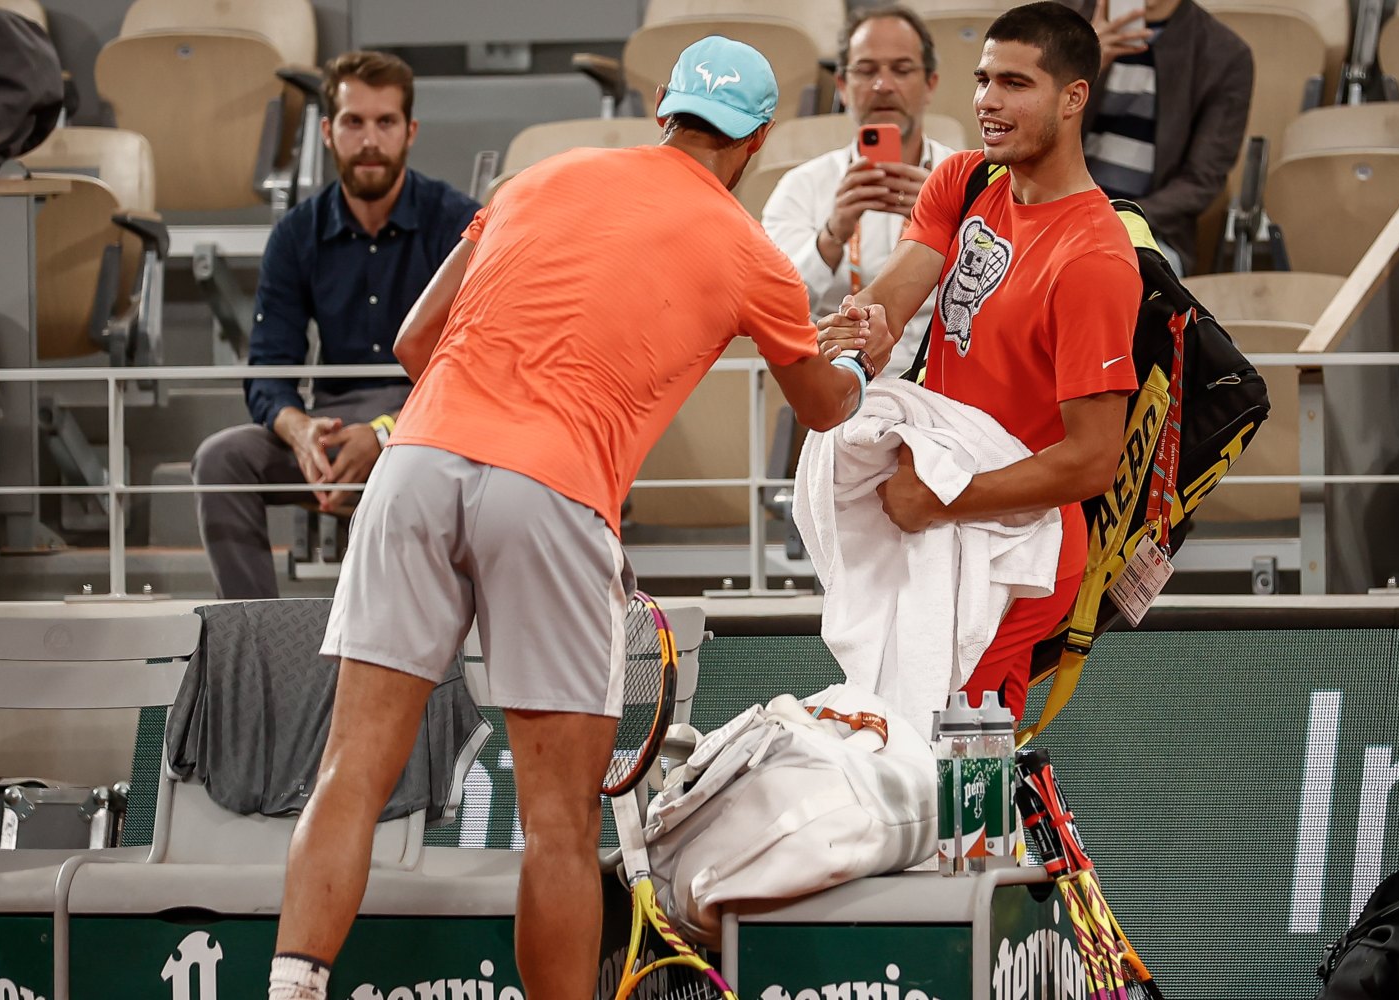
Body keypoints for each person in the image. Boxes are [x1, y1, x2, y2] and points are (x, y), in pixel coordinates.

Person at [267, 37, 882, 1000]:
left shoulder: (539, 176)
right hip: (549, 490)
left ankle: (291, 989)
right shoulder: (750, 252)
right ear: (756, 142)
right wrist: (864, 357)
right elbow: (825, 407)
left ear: (664, 115)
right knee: (558, 826)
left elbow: (414, 340)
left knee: (349, 772)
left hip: (416, 463)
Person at [820, 2, 1141, 715]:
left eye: (1015, 84)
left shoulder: (1094, 258)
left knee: (959, 779)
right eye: (983, 79)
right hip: (935, 517)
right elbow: (893, 296)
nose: (988, 102)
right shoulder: (963, 181)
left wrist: (938, 498)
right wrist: (863, 328)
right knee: (909, 756)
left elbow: (1093, 460)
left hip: (1020, 545)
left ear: (1073, 97)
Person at [192, 50, 477, 599]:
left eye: (385, 122)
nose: (369, 140)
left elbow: (471, 368)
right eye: (353, 122)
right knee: (220, 460)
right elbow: (268, 367)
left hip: (426, 426)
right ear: (327, 131)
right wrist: (299, 430)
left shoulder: (454, 221)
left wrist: (385, 434)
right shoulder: (297, 234)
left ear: (410, 131)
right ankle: (258, 644)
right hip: (328, 425)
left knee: (421, 465)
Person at [762, 6, 959, 377]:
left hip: (951, 381)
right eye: (866, 71)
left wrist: (948, 226)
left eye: (901, 70)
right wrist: (832, 236)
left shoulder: (966, 181)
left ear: (930, 83)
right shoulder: (801, 187)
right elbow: (775, 311)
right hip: (842, 386)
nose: (883, 85)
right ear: (842, 86)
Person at [1068, 0, 1252, 276]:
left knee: (1106, 274)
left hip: (1150, 230)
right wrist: (1084, 65)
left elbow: (1201, 181)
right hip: (1052, 209)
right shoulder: (1063, 19)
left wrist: (1115, 217)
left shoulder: (1224, 54)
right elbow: (1029, 131)